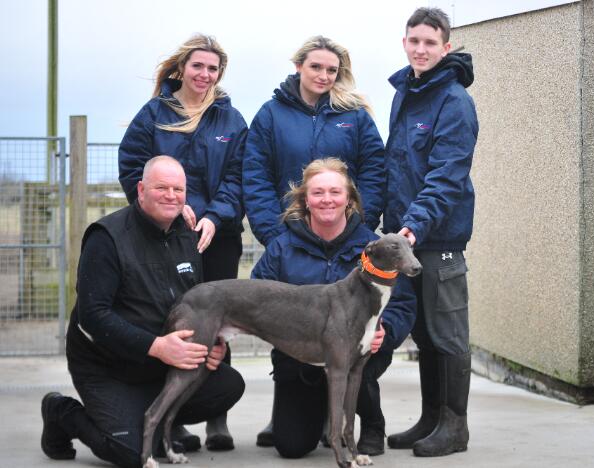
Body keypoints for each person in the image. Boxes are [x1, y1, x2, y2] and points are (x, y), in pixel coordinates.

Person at [40, 156, 245, 468]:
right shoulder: (106, 238)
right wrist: (158, 347)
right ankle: (61, 412)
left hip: (159, 364)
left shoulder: (187, 237)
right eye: (161, 187)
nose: (171, 195)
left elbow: (201, 305)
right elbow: (93, 315)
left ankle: (152, 418)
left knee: (228, 386)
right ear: (140, 189)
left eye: (178, 189)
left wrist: (213, 345)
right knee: (131, 453)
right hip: (108, 365)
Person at [118, 33, 246, 451]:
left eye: (212, 68)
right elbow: (133, 166)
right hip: (166, 237)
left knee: (219, 322)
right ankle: (174, 416)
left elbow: (238, 177)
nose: (204, 75)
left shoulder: (232, 121)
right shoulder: (155, 113)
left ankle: (215, 417)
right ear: (181, 69)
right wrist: (169, 211)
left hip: (217, 237)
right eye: (198, 66)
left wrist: (215, 215)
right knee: (172, 320)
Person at [251, 158, 416, 458]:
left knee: (357, 360)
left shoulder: (375, 247)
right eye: (317, 193)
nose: (327, 199)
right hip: (300, 360)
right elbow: (257, 299)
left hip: (358, 358)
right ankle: (322, 416)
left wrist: (386, 329)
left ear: (349, 199)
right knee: (291, 446)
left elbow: (403, 303)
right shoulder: (282, 247)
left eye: (335, 192)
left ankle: (371, 424)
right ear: (305, 200)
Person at [382, 7, 479, 458]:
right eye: (414, 41)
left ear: (446, 47)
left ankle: (454, 427)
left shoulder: (454, 100)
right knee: (422, 333)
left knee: (448, 335)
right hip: (406, 240)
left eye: (430, 43)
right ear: (405, 43)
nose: (420, 49)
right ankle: (430, 418)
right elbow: (396, 167)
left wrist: (413, 228)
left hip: (435, 242)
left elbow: (446, 175)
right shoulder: (405, 93)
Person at [244, 35, 385, 248]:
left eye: (331, 70)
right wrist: (275, 235)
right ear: (299, 66)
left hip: (346, 239)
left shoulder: (355, 116)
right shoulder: (271, 115)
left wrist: (360, 226)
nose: (323, 76)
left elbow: (374, 173)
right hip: (288, 238)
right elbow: (257, 177)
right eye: (316, 67)